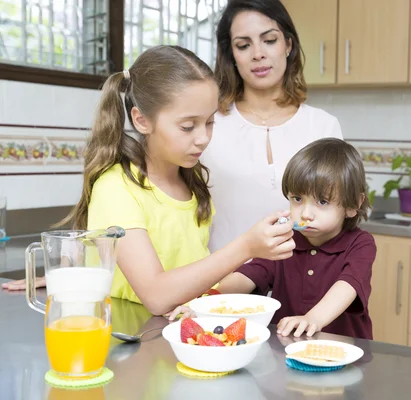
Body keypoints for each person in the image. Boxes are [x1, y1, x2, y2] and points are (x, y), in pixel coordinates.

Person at [2, 45, 295, 316]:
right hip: (133, 340)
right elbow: (156, 296)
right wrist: (246, 247)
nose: (203, 137)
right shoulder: (116, 187)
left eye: (209, 122)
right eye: (188, 126)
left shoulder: (191, 183)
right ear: (142, 120)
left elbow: (193, 281)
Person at [201, 0, 343, 254]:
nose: (258, 54)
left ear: (288, 45)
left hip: (300, 284)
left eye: (269, 40)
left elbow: (336, 217)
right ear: (231, 55)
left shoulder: (323, 126)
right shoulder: (208, 124)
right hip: (223, 284)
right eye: (243, 45)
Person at [216, 138, 376, 339]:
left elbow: (348, 286)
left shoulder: (361, 244)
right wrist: (209, 302)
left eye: (322, 201)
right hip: (287, 352)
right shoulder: (285, 239)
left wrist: (313, 319)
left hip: (343, 355)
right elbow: (247, 277)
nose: (306, 213)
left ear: (353, 205)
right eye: (297, 199)